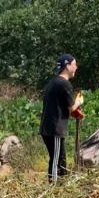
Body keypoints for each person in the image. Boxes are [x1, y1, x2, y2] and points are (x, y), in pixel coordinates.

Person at [40, 54, 84, 183]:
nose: (76, 68)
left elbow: (60, 107)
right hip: (54, 128)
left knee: (61, 158)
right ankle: (54, 187)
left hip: (48, 127)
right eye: (74, 64)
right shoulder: (64, 84)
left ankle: (61, 184)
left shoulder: (53, 82)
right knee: (57, 160)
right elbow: (71, 108)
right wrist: (79, 101)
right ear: (68, 66)